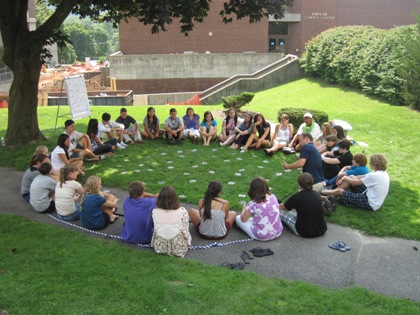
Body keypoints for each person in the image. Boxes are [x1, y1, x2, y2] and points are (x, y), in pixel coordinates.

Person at [321, 154, 390, 211]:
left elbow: (356, 182)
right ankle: (332, 192)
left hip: (369, 203)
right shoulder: (382, 173)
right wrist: (347, 178)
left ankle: (323, 192)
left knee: (340, 191)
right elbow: (361, 176)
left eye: (371, 162)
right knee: (351, 176)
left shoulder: (375, 175)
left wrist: (345, 178)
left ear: (375, 164)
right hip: (372, 198)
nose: (369, 163)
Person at [279, 173, 327, 237]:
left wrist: (277, 204)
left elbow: (283, 207)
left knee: (280, 212)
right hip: (321, 229)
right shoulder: (317, 194)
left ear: (299, 184)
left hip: (304, 232)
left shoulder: (296, 196)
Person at [235, 177, 282, 241]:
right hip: (277, 232)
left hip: (262, 235)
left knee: (238, 218)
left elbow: (243, 219)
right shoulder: (273, 196)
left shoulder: (253, 203)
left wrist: (244, 209)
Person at [151, 185, 191, 257]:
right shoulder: (182, 211)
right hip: (179, 247)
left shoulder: (154, 212)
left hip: (160, 246)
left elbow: (156, 230)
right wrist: (188, 241)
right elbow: (185, 229)